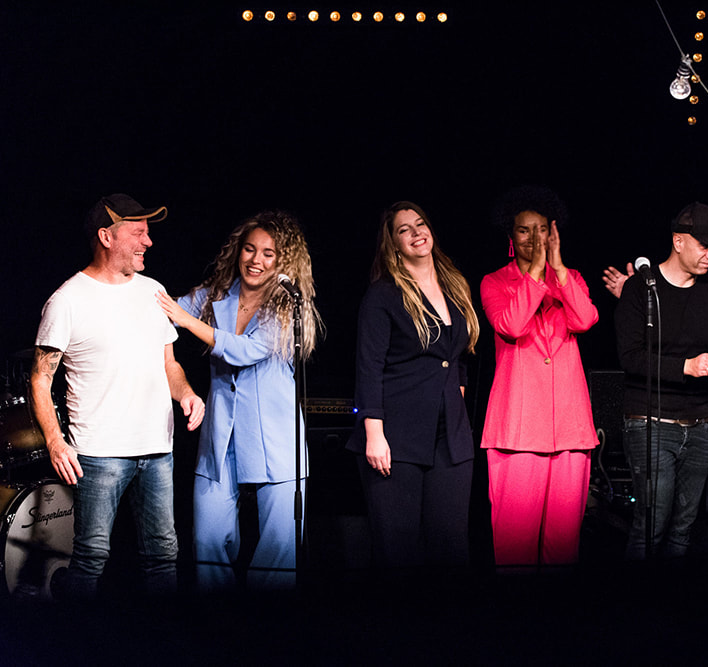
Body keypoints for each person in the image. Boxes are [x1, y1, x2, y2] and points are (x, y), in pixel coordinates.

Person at [29, 193, 205, 598]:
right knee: (91, 559)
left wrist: (187, 394)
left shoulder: (153, 291)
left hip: (157, 449)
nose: (149, 242)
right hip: (100, 452)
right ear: (106, 237)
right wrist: (56, 442)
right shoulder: (67, 300)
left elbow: (170, 365)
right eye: (138, 232)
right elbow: (40, 379)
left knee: (163, 556)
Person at [156, 210, 324, 590]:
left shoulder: (287, 306)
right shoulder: (217, 295)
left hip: (275, 440)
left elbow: (244, 351)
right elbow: (167, 309)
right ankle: (217, 626)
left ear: (283, 261)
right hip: (221, 434)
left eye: (268, 253)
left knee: (280, 547)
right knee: (207, 539)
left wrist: (186, 320)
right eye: (249, 249)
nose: (256, 260)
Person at [347, 201, 480, 568]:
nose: (416, 233)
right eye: (404, 229)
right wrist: (374, 433)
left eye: (420, 224)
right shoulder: (384, 294)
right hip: (396, 437)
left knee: (451, 548)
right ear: (392, 243)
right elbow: (368, 367)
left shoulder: (454, 287)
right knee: (397, 551)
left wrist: (456, 401)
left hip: (449, 439)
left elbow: (459, 358)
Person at [480, 185, 599, 566]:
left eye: (541, 229)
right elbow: (512, 325)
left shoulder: (571, 278)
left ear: (553, 232)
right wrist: (533, 276)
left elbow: (585, 319)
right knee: (515, 550)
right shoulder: (494, 282)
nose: (534, 238)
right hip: (517, 430)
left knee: (563, 549)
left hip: (569, 428)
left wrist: (559, 271)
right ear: (511, 238)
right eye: (523, 230)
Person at [614, 202, 708, 558]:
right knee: (651, 526)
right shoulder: (641, 288)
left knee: (684, 529)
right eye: (704, 246)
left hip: (702, 425)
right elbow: (631, 358)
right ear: (678, 241)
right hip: (651, 421)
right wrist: (688, 366)